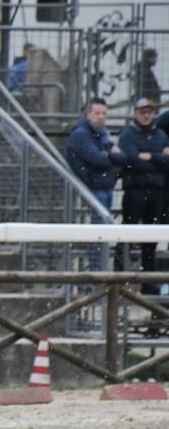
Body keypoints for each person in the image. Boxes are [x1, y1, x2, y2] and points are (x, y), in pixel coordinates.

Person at [66, 98, 127, 270]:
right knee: (98, 234)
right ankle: (96, 271)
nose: (101, 117)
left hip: (104, 186)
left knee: (103, 233)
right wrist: (110, 155)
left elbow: (122, 158)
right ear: (87, 114)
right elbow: (98, 159)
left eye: (104, 114)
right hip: (94, 187)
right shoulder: (81, 134)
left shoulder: (101, 134)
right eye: (97, 113)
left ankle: (98, 270)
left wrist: (109, 155)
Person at [116, 98, 169, 292]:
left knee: (151, 236)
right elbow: (131, 160)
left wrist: (149, 156)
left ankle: (148, 281)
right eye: (142, 112)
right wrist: (158, 157)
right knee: (127, 232)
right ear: (135, 113)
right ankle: (118, 277)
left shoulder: (160, 134)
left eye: (149, 112)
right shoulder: (128, 134)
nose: (146, 116)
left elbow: (165, 163)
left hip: (156, 191)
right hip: (135, 189)